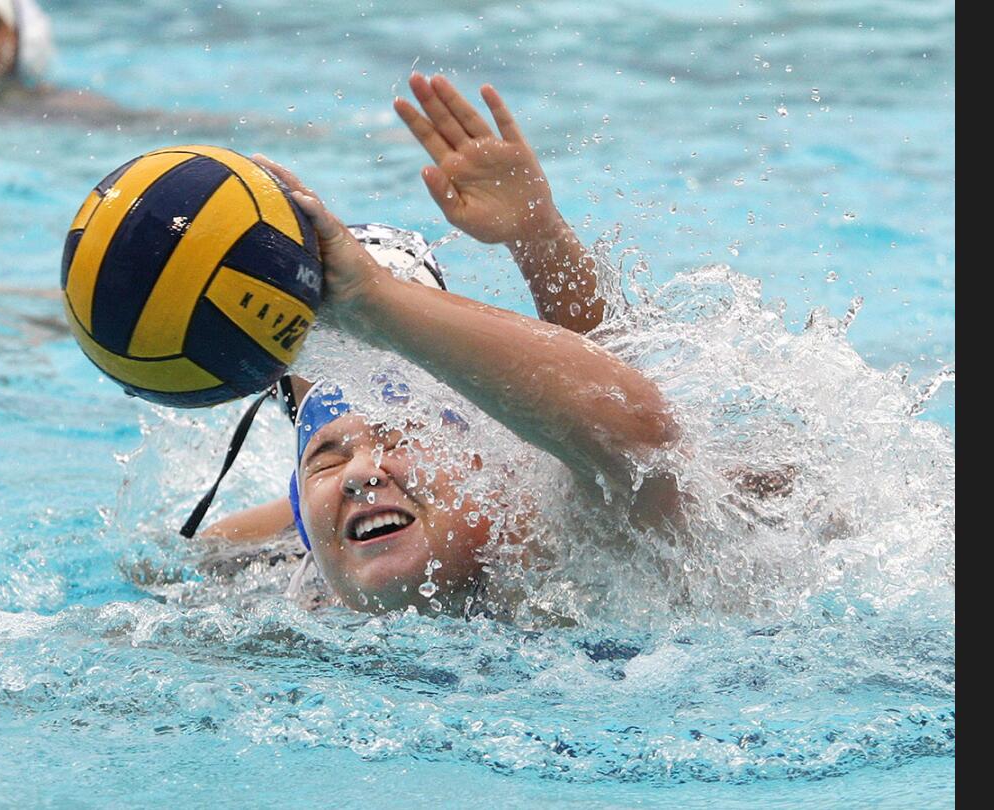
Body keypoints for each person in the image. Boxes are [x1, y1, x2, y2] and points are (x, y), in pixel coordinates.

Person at [185, 75, 684, 618]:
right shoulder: (284, 550)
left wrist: (537, 236)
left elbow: (621, 424)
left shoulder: (543, 529)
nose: (361, 473)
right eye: (327, 458)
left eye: (401, 432)